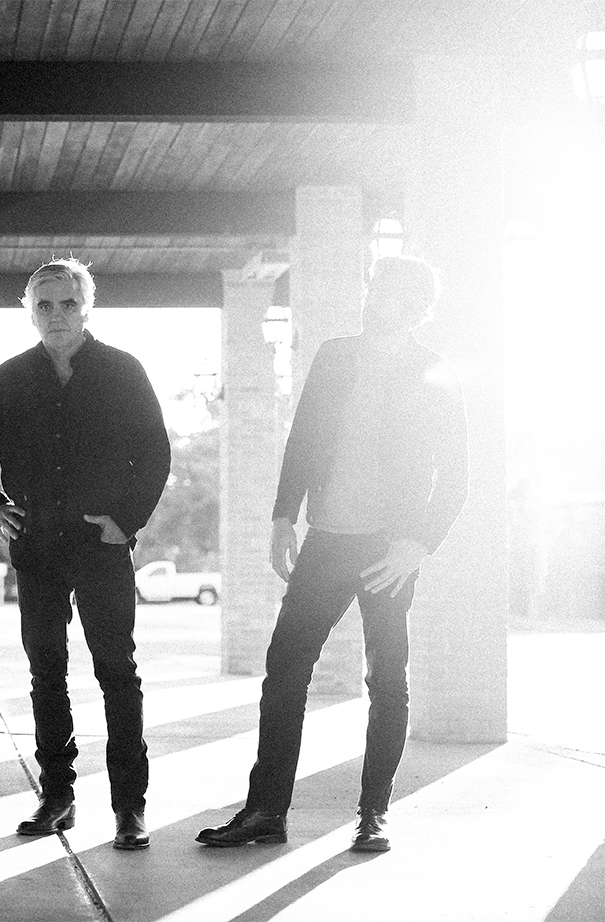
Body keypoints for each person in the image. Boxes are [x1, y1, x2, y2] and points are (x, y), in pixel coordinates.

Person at [196, 254, 468, 853]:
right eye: (374, 289)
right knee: (285, 670)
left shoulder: (435, 373)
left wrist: (418, 545)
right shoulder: (335, 356)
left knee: (387, 680)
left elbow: (456, 477)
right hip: (326, 540)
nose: (375, 300)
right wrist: (282, 516)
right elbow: (304, 436)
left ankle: (374, 814)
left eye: (389, 293)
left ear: (417, 307)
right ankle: (266, 811)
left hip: (388, 551)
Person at [0, 258, 171, 850]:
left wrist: (125, 522)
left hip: (101, 547)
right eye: (45, 305)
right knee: (46, 673)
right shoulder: (8, 377)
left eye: (68, 304)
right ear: (30, 312)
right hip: (36, 548)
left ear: (86, 308)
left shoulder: (123, 371)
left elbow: (155, 453)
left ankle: (130, 807)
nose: (57, 315)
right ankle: (57, 797)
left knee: (117, 673)